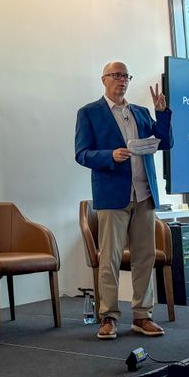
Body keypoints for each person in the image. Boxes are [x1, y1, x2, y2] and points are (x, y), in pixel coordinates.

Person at [75, 62, 173, 340]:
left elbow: (165, 143)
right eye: (116, 75)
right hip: (112, 195)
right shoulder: (89, 112)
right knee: (110, 258)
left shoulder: (140, 112)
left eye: (126, 76)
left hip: (144, 194)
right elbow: (82, 153)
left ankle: (142, 316)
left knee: (145, 257)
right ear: (103, 79)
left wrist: (162, 114)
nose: (122, 80)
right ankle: (108, 316)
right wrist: (110, 156)